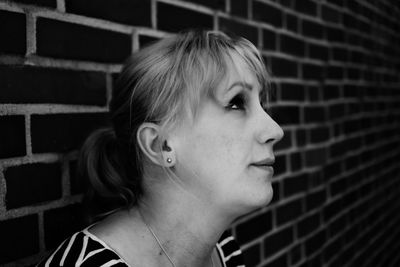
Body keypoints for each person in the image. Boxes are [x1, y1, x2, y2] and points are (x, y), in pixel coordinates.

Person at [37, 30, 283, 267]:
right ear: (160, 145)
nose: (275, 130)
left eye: (261, 104)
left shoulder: (224, 251)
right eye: (236, 103)